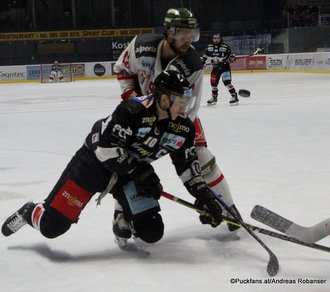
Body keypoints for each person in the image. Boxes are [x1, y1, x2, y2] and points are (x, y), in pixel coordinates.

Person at [1, 70, 223, 246]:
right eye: (180, 99)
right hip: (93, 166)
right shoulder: (133, 110)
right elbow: (104, 149)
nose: (185, 104)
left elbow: (186, 165)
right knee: (51, 228)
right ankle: (30, 211)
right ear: (163, 98)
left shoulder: (183, 128)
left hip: (129, 174)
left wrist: (205, 197)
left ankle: (124, 214)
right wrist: (141, 173)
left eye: (187, 98)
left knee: (152, 232)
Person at [113, 8, 242, 242]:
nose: (189, 40)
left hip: (178, 117)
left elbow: (188, 109)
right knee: (129, 160)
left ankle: (228, 207)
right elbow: (122, 71)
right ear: (169, 32)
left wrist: (176, 137)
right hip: (141, 118)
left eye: (192, 34)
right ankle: (121, 213)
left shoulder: (192, 63)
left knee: (201, 155)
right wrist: (136, 104)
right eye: (183, 34)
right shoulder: (140, 45)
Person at [201, 34, 239, 105]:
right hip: (215, 67)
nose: (216, 40)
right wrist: (202, 62)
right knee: (213, 83)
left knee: (227, 82)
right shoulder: (209, 47)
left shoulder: (225, 46)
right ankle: (214, 97)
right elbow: (205, 55)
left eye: (217, 38)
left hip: (225, 67)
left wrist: (232, 58)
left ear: (220, 39)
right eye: (214, 38)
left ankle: (234, 96)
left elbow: (231, 55)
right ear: (212, 39)